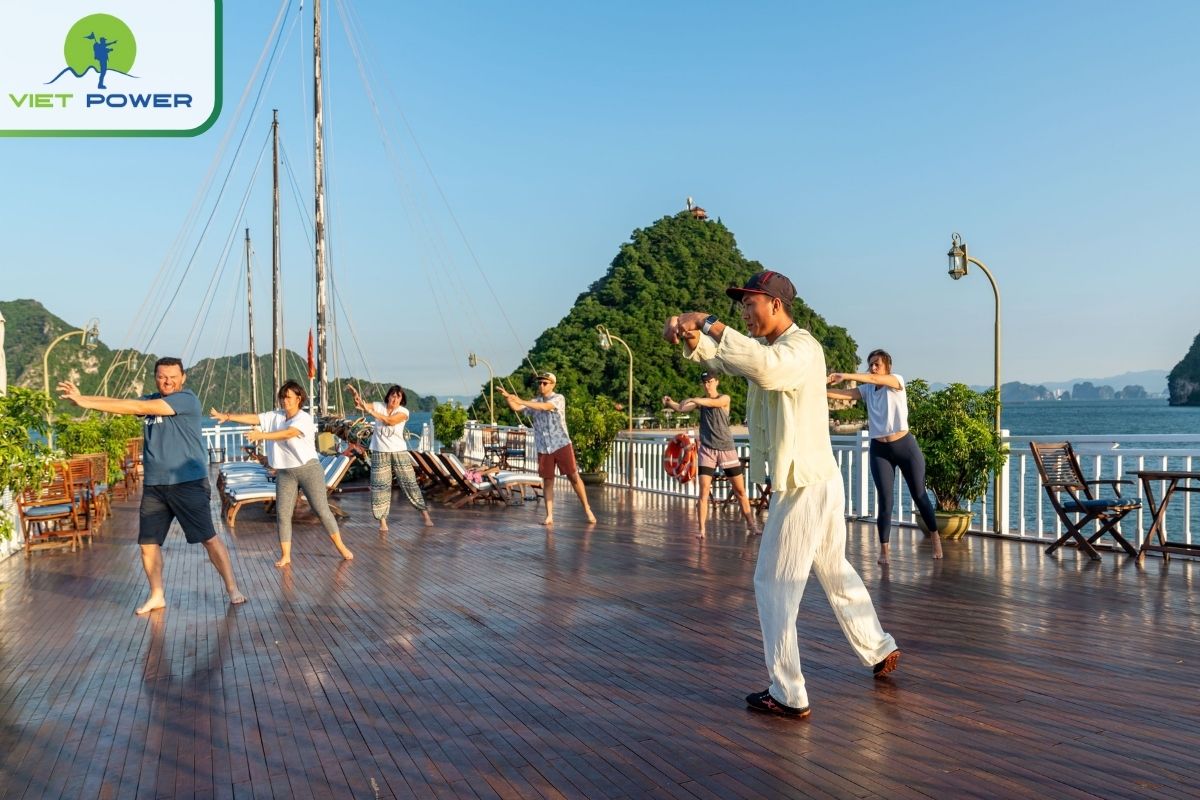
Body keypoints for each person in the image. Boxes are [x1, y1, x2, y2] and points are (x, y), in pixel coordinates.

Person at [663, 270, 899, 719]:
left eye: (750, 304)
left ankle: (788, 692)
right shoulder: (770, 348)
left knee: (772, 583)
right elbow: (732, 359)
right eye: (741, 307)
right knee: (834, 569)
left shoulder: (802, 348)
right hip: (818, 479)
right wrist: (690, 335)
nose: (744, 313)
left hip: (806, 485)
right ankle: (878, 646)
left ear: (775, 304)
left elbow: (765, 371)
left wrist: (706, 319)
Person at [57, 357, 246, 615]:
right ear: (155, 377)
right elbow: (121, 404)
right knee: (148, 544)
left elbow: (134, 405)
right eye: (161, 376)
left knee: (209, 539)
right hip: (155, 486)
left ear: (183, 378)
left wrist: (85, 401)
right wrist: (83, 399)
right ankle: (157, 594)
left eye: (172, 376)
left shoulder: (186, 399)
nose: (167, 381)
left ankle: (232, 588)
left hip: (188, 483)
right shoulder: (150, 400)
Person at [211, 380, 354, 567]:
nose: (284, 401)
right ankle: (286, 555)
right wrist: (227, 416)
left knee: (321, 509)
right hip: (285, 472)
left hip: (308, 469)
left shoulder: (303, 418)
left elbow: (288, 433)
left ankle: (341, 546)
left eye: (288, 397)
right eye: (282, 397)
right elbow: (254, 418)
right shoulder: (276, 416)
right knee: (283, 513)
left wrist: (261, 436)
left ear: (298, 398)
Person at [827, 351, 943, 563]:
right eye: (870, 364)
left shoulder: (895, 381)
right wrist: (818, 389)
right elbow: (846, 395)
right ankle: (885, 552)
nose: (872, 368)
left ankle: (935, 538)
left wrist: (844, 375)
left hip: (905, 446)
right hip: (880, 449)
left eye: (876, 364)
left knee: (919, 495)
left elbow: (873, 379)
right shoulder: (868, 389)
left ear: (887, 366)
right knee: (885, 499)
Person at [662, 372, 758, 538]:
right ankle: (701, 530)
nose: (707, 385)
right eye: (705, 382)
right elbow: (681, 407)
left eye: (710, 381)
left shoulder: (724, 398)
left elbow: (714, 402)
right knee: (703, 491)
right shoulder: (701, 402)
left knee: (740, 491)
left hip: (727, 449)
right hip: (707, 450)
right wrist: (670, 403)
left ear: (717, 382)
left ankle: (752, 525)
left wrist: (694, 399)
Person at [496, 372, 596, 526]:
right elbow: (517, 408)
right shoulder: (534, 401)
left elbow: (545, 406)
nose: (541, 385)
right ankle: (549, 515)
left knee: (573, 477)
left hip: (561, 444)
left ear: (552, 385)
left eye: (545, 383)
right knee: (548, 480)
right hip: (543, 447)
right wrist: (508, 397)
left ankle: (587, 509)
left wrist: (520, 399)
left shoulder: (558, 398)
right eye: (540, 383)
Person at [346, 383, 433, 531]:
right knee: (380, 487)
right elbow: (361, 405)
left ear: (401, 400)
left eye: (398, 397)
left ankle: (425, 515)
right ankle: (383, 523)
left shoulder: (403, 411)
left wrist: (371, 411)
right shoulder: (379, 405)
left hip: (398, 451)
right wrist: (356, 396)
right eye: (393, 395)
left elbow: (390, 421)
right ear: (388, 396)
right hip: (379, 452)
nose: (395, 399)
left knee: (409, 482)